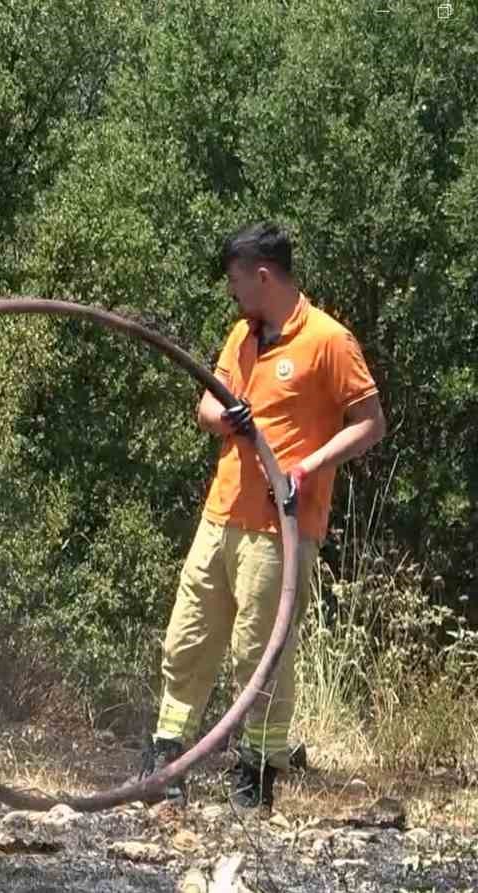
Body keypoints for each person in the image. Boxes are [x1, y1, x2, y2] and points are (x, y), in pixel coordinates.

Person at [139, 221, 386, 810]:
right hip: (221, 513)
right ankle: (168, 754)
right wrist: (228, 419)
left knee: (261, 650)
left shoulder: (328, 339)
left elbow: (371, 422)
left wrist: (307, 466)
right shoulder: (241, 336)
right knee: (186, 638)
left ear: (264, 275)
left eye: (235, 280)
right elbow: (206, 404)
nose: (231, 292)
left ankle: (257, 771)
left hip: (282, 525)